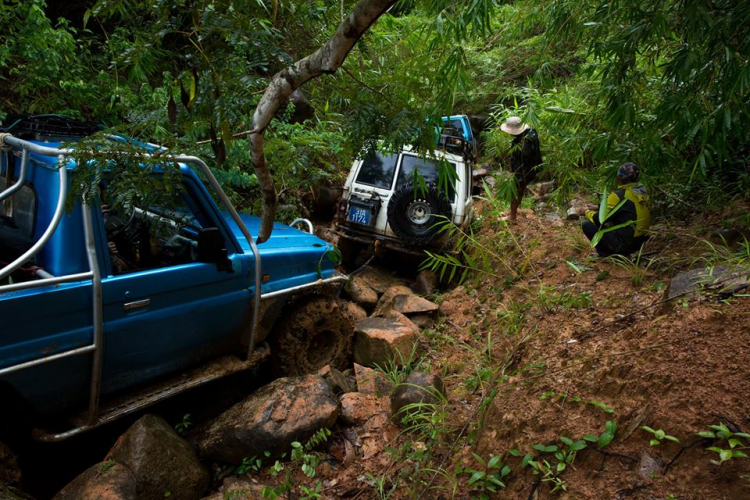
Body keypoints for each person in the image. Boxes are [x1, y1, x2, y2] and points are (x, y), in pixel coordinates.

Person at [582, 162, 650, 257]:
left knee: (588, 225)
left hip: (625, 245)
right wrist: (597, 207)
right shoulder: (640, 192)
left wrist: (586, 211)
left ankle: (606, 254)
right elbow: (625, 207)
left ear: (619, 178)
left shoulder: (618, 196)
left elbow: (599, 219)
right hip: (640, 242)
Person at [500, 116, 542, 221]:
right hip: (530, 169)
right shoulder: (531, 133)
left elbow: (524, 158)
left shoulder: (524, 141)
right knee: (520, 190)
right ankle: (512, 211)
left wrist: (518, 175)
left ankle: (512, 217)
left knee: (516, 191)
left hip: (524, 170)